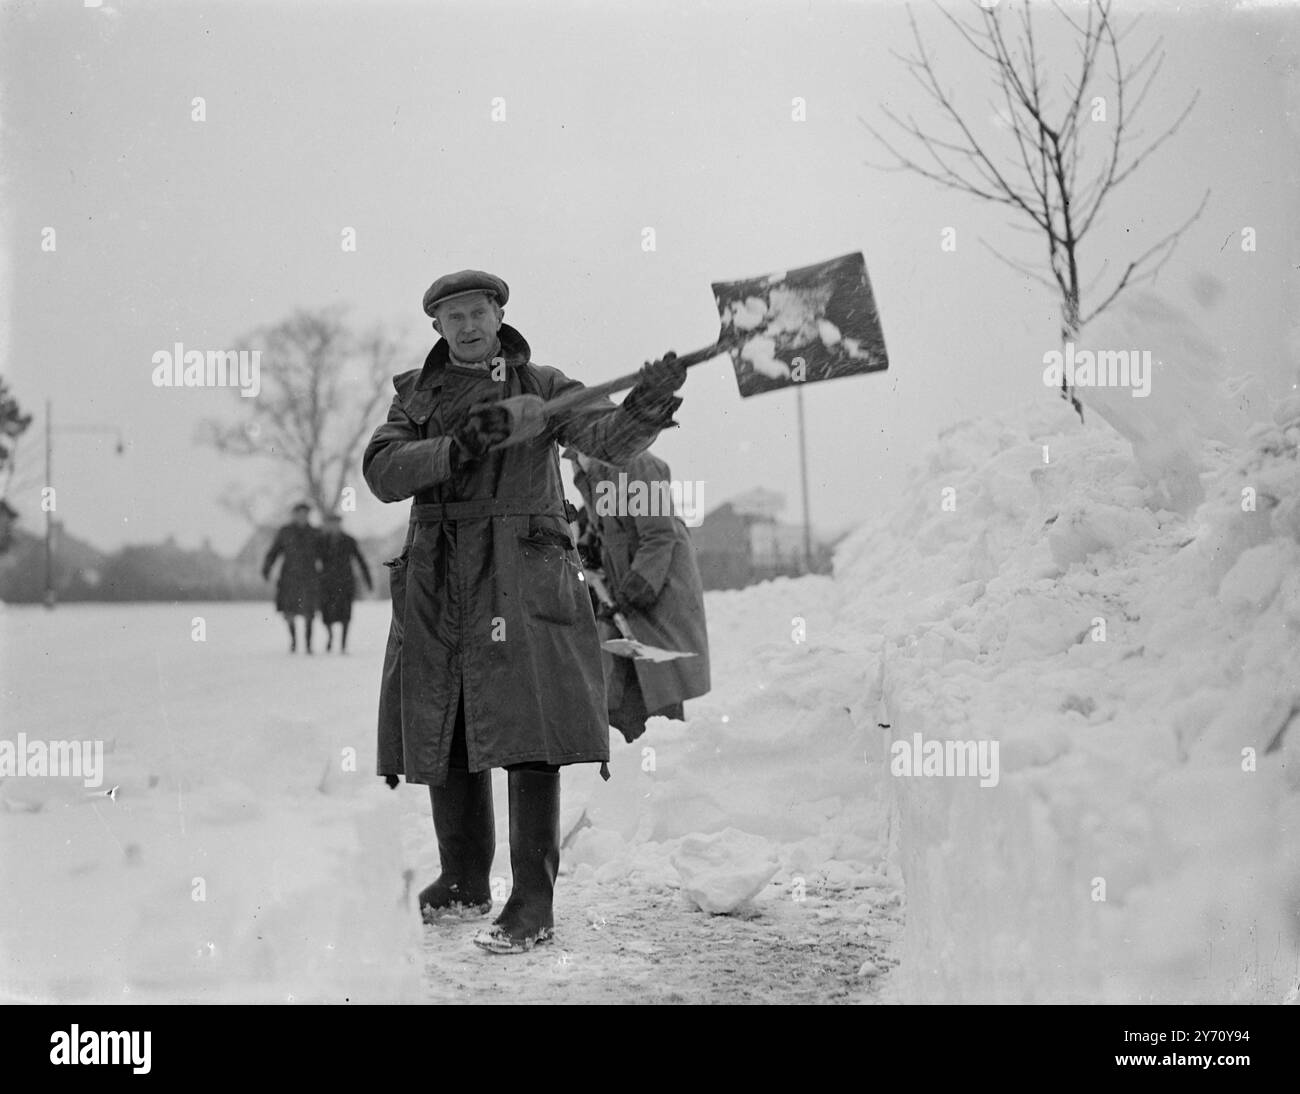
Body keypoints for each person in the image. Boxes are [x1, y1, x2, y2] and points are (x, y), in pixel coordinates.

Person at [363, 268, 687, 955]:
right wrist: (458, 446)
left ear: (499, 313)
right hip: (440, 574)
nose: (468, 326)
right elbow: (383, 471)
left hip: (521, 570)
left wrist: (646, 410)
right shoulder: (417, 400)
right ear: (438, 329)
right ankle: (462, 880)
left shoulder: (543, 386)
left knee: (529, 727)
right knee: (445, 724)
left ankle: (531, 901)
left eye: (478, 312)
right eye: (454, 318)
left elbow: (607, 439)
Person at [567, 447, 711, 743]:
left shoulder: (634, 463)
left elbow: (659, 534)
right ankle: (634, 778)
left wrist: (633, 591)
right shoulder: (592, 471)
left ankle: (667, 780)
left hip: (655, 598)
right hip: (622, 603)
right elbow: (608, 529)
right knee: (618, 699)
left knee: (657, 702)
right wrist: (590, 549)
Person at [262, 502, 322, 654]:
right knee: (289, 612)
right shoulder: (285, 532)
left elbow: (325, 555)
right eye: (299, 513)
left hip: (309, 578)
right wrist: (267, 568)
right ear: (294, 515)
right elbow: (274, 552)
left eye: (305, 514)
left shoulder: (315, 533)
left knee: (309, 612)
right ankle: (294, 640)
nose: (302, 516)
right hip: (289, 578)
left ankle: (308, 644)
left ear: (308, 515)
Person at [317, 513, 374, 653]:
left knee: (345, 615)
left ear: (340, 524)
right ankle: (330, 636)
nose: (333, 526)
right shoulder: (321, 541)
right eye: (330, 523)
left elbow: (360, 560)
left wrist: (368, 580)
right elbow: (312, 560)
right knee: (327, 615)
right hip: (327, 584)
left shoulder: (349, 540)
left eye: (336, 523)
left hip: (345, 583)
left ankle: (343, 645)